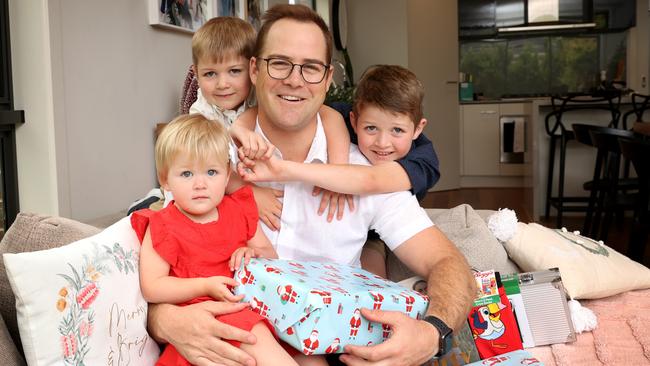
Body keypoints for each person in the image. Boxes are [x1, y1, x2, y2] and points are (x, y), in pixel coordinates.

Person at [148, 5, 476, 366]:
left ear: (327, 78)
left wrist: (432, 334)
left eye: (310, 67)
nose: (294, 79)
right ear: (255, 70)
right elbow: (155, 254)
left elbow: (448, 263)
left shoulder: (362, 171)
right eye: (280, 63)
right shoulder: (209, 164)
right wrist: (165, 320)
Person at [132, 114, 323, 366]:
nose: (200, 184)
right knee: (256, 337)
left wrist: (250, 252)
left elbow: (270, 256)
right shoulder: (163, 224)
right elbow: (153, 287)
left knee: (313, 357)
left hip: (249, 307)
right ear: (165, 179)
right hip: (201, 317)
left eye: (211, 172)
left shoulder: (239, 209)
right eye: (187, 174)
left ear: (227, 174)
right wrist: (205, 286)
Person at [238, 64, 440, 277]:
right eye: (370, 128)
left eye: (397, 131)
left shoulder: (424, 161)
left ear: (418, 129)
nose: (383, 143)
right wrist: (239, 127)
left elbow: (371, 181)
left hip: (379, 229)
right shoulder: (345, 114)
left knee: (373, 267)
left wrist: (335, 176)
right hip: (354, 225)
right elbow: (302, 109)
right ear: (354, 121)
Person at [187, 15, 353, 229]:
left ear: (251, 70)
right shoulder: (202, 113)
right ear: (196, 75)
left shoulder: (260, 96)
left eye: (235, 71)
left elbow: (331, 117)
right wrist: (250, 193)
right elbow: (202, 165)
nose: (223, 84)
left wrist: (338, 173)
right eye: (210, 74)